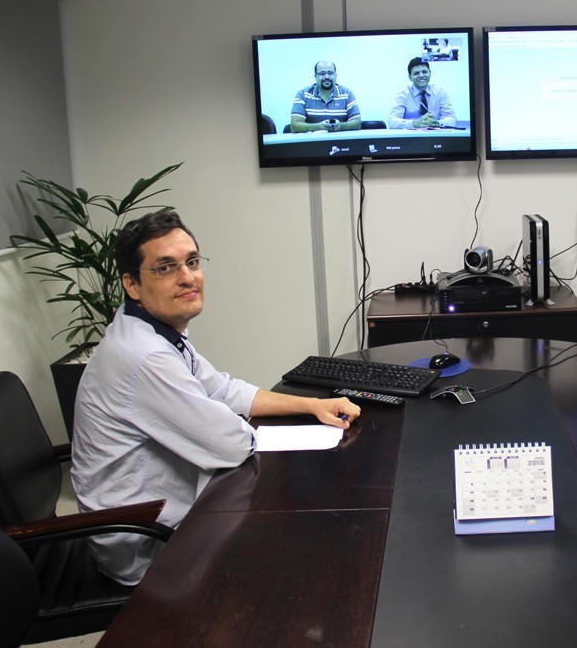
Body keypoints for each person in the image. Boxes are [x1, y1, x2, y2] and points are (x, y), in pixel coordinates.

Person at [71, 210, 361, 585]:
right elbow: (231, 445)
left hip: (164, 510)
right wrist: (244, 428)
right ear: (132, 284)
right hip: (146, 542)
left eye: (192, 262)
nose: (187, 277)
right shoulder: (144, 356)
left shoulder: (151, 330)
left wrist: (313, 406)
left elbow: (221, 389)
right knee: (300, 550)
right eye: (165, 268)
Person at [290, 61, 362, 133]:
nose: (327, 77)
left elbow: (357, 123)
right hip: (312, 139)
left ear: (336, 75)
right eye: (322, 73)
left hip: (340, 140)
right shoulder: (303, 94)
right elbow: (295, 126)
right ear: (315, 76)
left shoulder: (346, 94)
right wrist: (320, 127)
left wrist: (340, 126)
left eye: (330, 73)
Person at [387, 57, 457, 129]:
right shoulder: (403, 94)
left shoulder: (439, 92)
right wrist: (415, 123)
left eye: (424, 72)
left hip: (436, 134)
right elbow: (392, 122)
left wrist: (437, 123)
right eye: (416, 73)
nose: (421, 75)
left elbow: (452, 118)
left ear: (430, 73)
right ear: (410, 77)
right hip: (411, 135)